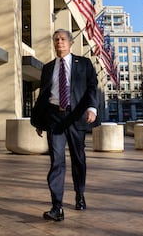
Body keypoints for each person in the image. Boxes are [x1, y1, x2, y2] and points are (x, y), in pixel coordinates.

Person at [30, 29, 98, 222]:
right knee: (56, 162)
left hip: (76, 116)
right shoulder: (48, 67)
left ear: (70, 43)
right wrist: (39, 121)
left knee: (78, 159)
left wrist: (92, 108)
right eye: (56, 40)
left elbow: (92, 86)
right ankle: (57, 207)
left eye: (62, 39)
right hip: (54, 118)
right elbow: (43, 96)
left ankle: (80, 194)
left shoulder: (83, 64)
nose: (59, 42)